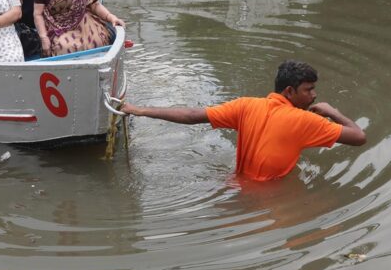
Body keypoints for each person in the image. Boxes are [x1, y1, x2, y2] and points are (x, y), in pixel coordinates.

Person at [120, 60, 367, 182]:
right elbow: (359, 137)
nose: (314, 95)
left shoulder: (246, 105)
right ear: (289, 92)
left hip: (236, 184)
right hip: (270, 197)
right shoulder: (305, 121)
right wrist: (332, 111)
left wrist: (139, 110)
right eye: (308, 90)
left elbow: (193, 116)